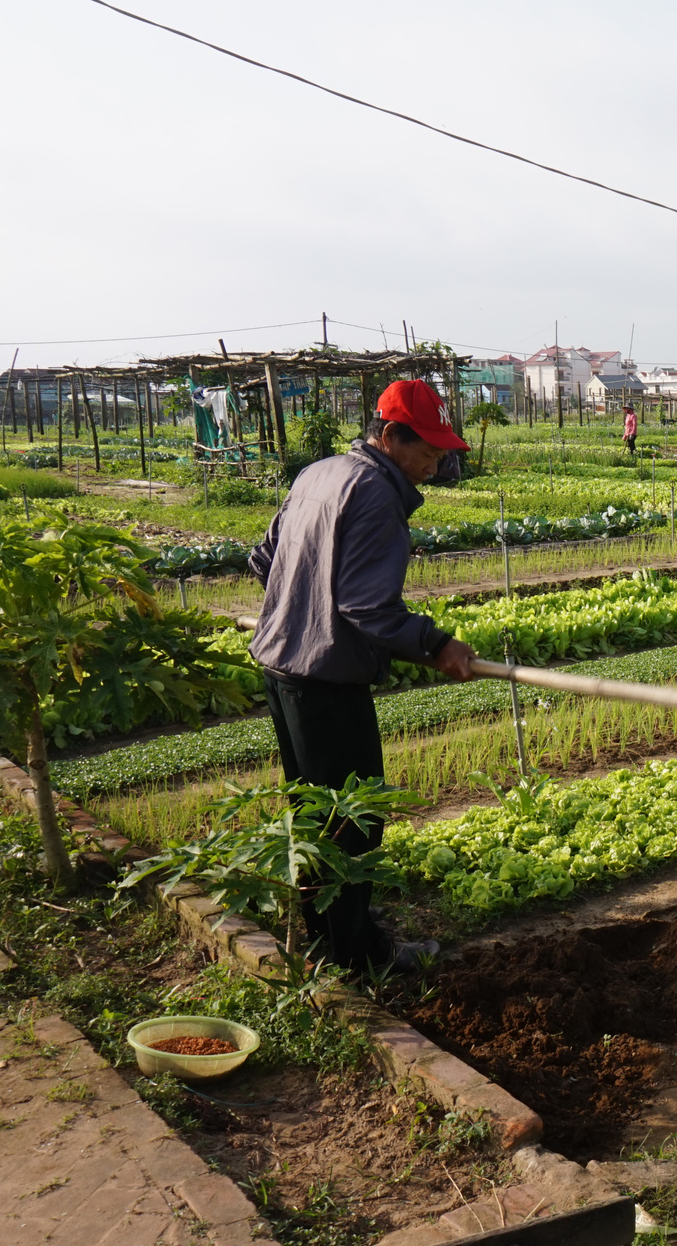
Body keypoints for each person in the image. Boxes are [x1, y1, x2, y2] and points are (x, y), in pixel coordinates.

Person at [247, 379, 478, 972]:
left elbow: (264, 558)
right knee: (353, 821)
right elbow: (368, 608)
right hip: (326, 683)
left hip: (283, 669)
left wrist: (299, 604)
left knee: (315, 813)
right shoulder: (375, 494)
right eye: (426, 449)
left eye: (441, 451)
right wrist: (437, 644)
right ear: (390, 436)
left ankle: (326, 941)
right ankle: (355, 958)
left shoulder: (318, 473)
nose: (435, 462)